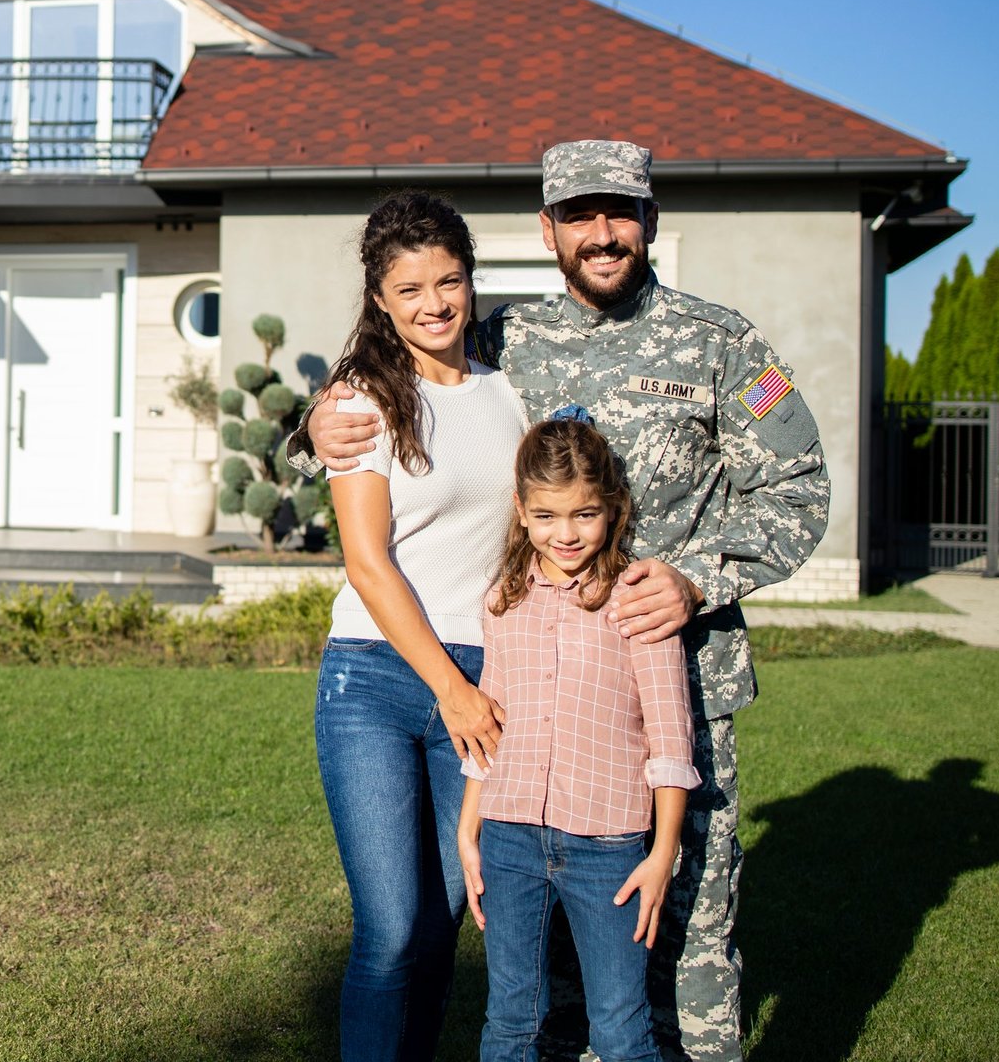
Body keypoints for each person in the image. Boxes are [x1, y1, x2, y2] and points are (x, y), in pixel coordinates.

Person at [294, 140, 830, 1062]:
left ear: (651, 220)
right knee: (546, 947)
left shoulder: (724, 343)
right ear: (549, 231)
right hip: (543, 693)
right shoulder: (507, 339)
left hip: (679, 682)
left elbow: (802, 485)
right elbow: (392, 384)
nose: (602, 233)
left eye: (621, 212)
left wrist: (697, 576)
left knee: (690, 927)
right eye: (580, 214)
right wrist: (311, 427)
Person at [314, 188, 529, 1060]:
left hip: (481, 676)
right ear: (380, 298)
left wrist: (479, 687)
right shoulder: (362, 401)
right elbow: (367, 563)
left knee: (443, 921)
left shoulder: (511, 392)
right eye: (409, 289)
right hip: (375, 677)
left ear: (471, 280)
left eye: (448, 281)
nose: (433, 304)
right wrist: (451, 689)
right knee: (392, 926)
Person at [458, 415, 701, 1062]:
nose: (565, 534)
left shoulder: (638, 600)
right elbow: (490, 724)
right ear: (521, 510)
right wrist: (469, 827)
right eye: (546, 515)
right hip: (509, 837)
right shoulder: (503, 600)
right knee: (511, 1019)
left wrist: (663, 853)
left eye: (584, 514)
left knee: (620, 1030)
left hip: (609, 848)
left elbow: (671, 741)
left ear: (611, 508)